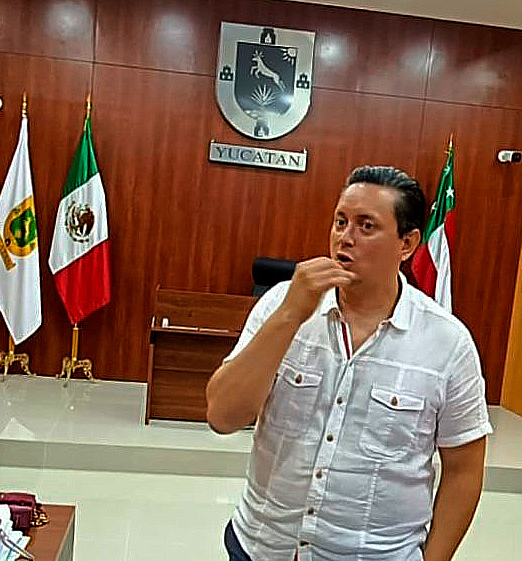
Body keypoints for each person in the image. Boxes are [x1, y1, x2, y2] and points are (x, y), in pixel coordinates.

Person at [206, 166, 492, 561]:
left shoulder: (448, 342)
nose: (345, 237)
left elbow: (463, 469)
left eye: (366, 226)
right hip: (263, 546)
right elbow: (222, 416)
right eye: (340, 221)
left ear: (407, 244)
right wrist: (290, 316)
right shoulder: (280, 304)